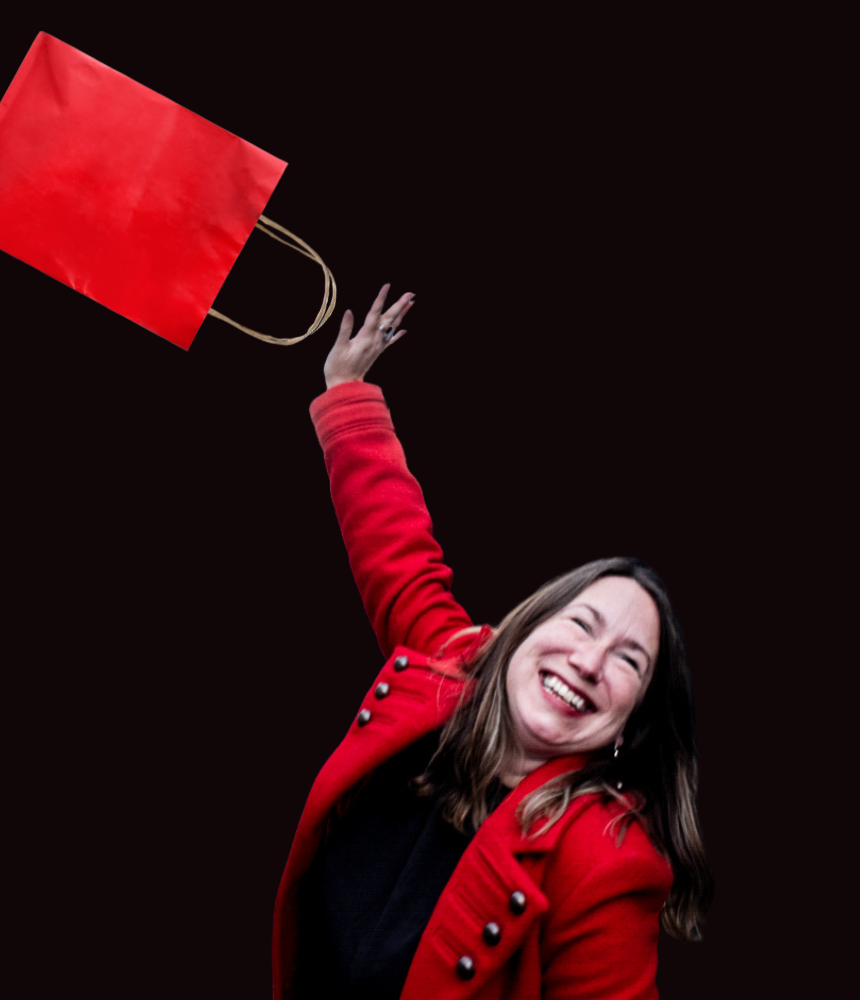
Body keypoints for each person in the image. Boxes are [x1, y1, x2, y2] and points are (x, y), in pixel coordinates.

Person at [273, 284, 712, 1000]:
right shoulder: (452, 664)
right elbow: (395, 547)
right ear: (522, 631)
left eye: (630, 661)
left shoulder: (607, 862)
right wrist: (347, 392)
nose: (590, 661)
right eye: (580, 623)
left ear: (632, 725)